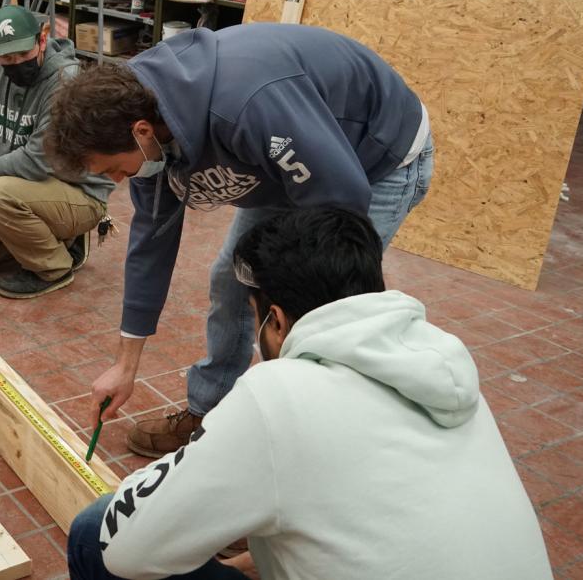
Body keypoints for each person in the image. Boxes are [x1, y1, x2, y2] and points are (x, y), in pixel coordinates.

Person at [67, 208, 552, 580]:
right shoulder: (439, 360)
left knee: (94, 533)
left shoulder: (279, 393)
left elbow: (127, 549)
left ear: (274, 321)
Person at [48, 23, 434, 456]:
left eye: (112, 169)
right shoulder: (144, 129)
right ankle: (209, 413)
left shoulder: (246, 104)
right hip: (286, 162)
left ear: (141, 132)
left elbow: (340, 204)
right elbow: (149, 249)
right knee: (232, 279)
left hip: (374, 158)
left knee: (320, 309)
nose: (118, 181)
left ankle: (308, 447)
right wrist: (124, 365)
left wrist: (295, 304)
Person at [0, 6, 115, 298]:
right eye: (8, 57)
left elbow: (37, 161)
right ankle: (44, 239)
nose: (17, 63)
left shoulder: (64, 80)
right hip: (25, 185)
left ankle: (55, 267)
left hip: (78, 191)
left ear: (42, 40)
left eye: (24, 54)